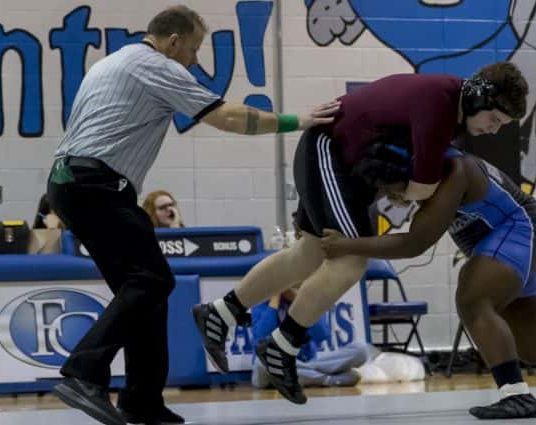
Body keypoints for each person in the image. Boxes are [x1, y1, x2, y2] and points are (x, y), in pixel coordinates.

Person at [46, 5, 338, 425]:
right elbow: (228, 117)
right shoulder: (156, 65)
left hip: (73, 183)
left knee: (146, 289)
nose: (196, 60)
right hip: (95, 184)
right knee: (152, 280)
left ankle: (141, 400)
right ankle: (83, 373)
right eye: (195, 49)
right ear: (173, 41)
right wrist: (301, 120)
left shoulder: (115, 60)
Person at [192, 61, 529, 404]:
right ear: (479, 101)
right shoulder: (440, 107)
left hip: (343, 162)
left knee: (308, 254)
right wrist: (408, 192)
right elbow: (421, 189)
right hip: (331, 151)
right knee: (350, 260)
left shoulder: (451, 102)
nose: (494, 129)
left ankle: (220, 313)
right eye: (495, 120)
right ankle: (282, 345)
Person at [318, 145, 536, 419]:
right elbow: (389, 215)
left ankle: (515, 393)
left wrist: (343, 246)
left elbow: (413, 243)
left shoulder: (455, 170)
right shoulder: (423, 174)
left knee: (472, 298)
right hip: (511, 241)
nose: (394, 198)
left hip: (521, 231)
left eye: (394, 190)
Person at [251, 287, 368, 389]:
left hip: (304, 363)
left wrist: (299, 301)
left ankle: (306, 376)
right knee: (262, 360)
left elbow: (321, 334)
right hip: (271, 372)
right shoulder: (261, 301)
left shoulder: (308, 298)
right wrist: (274, 300)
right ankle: (325, 379)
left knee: (361, 349)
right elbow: (262, 338)